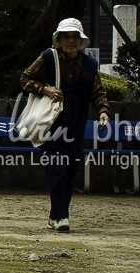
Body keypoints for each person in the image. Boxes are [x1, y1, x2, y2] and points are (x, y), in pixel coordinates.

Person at [19, 18, 110, 232]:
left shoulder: (89, 65)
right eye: (66, 37)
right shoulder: (48, 57)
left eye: (75, 37)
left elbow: (97, 91)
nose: (71, 41)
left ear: (81, 40)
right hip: (51, 125)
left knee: (69, 172)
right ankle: (61, 217)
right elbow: (25, 78)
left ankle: (56, 215)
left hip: (76, 124)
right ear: (58, 39)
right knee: (57, 170)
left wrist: (103, 111)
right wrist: (45, 89)